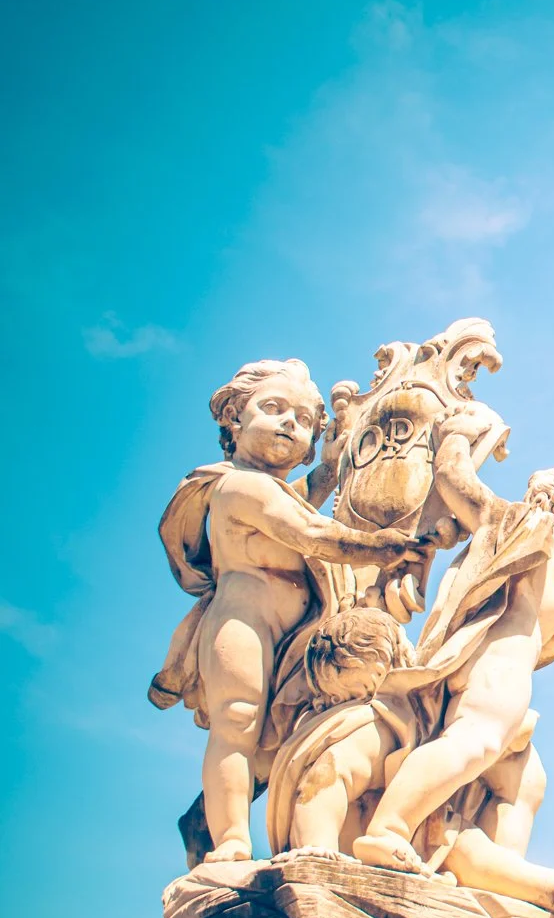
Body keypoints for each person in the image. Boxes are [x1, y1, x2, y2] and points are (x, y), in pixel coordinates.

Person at [153, 359, 425, 864]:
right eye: (273, 409)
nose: (289, 424)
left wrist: (333, 461)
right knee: (238, 723)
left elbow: (304, 501)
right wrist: (381, 547)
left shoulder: (277, 491)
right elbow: (311, 532)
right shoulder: (237, 485)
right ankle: (232, 840)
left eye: (302, 419)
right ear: (234, 418)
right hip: (244, 620)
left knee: (271, 745)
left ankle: (201, 825)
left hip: (296, 631)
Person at [351, 405, 554, 878]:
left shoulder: (550, 554)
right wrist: (459, 433)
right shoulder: (524, 526)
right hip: (500, 656)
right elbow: (455, 479)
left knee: (525, 781)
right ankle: (388, 828)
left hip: (510, 664)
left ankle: (499, 881)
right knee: (476, 742)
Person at [267, 608, 554, 918]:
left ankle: (551, 889)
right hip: (350, 846)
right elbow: (326, 779)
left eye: (349, 693)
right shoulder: (369, 725)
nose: (339, 704)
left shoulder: (402, 715)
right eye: (340, 696)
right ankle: (550, 888)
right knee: (455, 838)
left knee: (459, 840)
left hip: (411, 840)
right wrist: (317, 849)